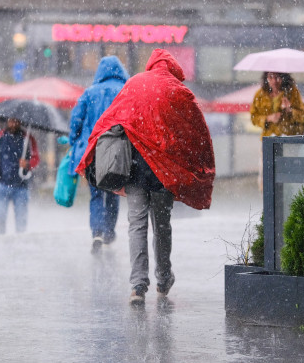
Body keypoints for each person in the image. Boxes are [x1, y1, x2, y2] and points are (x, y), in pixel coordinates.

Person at [76, 49, 215, 305]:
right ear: (173, 68)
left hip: (136, 168)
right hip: (163, 171)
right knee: (161, 226)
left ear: (151, 65)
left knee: (136, 224)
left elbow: (110, 119)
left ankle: (138, 286)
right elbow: (196, 132)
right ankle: (163, 278)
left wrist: (88, 152)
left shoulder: (135, 83)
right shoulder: (178, 91)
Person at [68, 56, 129, 254]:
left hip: (92, 150)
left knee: (95, 194)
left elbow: (76, 120)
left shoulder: (90, 92)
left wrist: (73, 140)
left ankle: (97, 231)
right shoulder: (126, 91)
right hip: (117, 150)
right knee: (113, 190)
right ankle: (109, 231)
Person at [0, 117, 40, 235]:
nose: (13, 124)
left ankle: (20, 241)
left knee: (21, 220)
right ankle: (1, 238)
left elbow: (36, 158)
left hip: (21, 185)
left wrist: (28, 164)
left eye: (16, 121)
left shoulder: (28, 139)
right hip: (1, 183)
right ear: (6, 121)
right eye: (11, 121)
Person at [250, 71, 304, 189]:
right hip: (268, 139)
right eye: (271, 77)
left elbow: (302, 116)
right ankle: (268, 202)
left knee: (288, 174)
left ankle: (288, 201)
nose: (274, 81)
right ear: (266, 78)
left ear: (283, 77)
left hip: (289, 140)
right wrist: (267, 118)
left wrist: (289, 109)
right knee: (266, 175)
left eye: (278, 77)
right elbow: (254, 117)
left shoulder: (292, 93)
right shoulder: (260, 95)